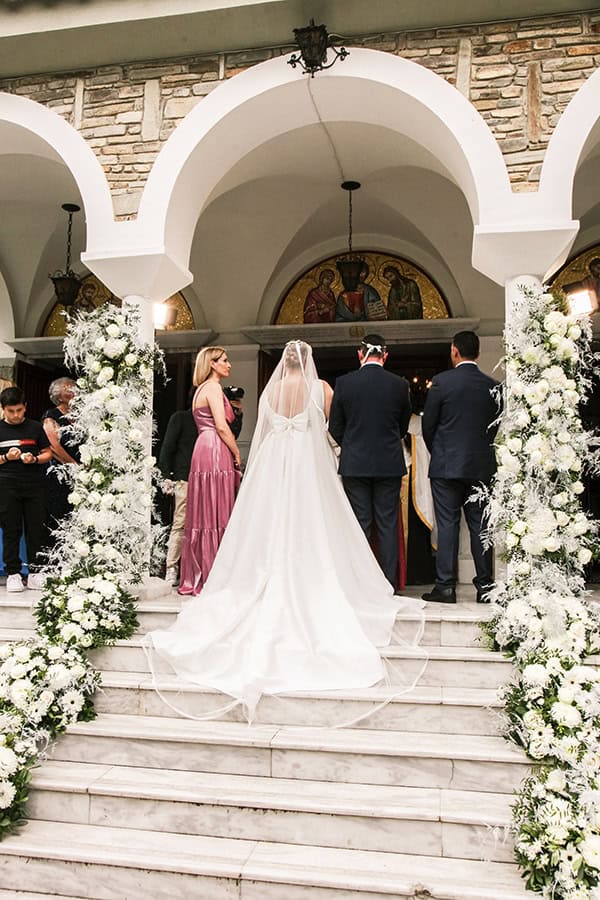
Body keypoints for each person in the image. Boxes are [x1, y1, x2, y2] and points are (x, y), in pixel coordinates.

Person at [145, 341, 424, 721]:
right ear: (308, 362)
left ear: (284, 362)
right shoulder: (321, 388)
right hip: (308, 466)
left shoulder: (271, 391)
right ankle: (314, 576)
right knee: (314, 524)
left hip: (273, 466)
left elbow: (263, 432)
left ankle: (265, 573)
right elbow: (330, 431)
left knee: (268, 524)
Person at [421, 331, 500, 604]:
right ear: (477, 353)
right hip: (481, 466)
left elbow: (428, 425)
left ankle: (445, 586)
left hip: (446, 465)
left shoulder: (441, 382)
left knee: (447, 525)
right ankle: (485, 586)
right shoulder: (493, 386)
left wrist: (439, 451)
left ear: (454, 351)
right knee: (481, 526)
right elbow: (494, 426)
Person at [328, 335, 412, 590]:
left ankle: (360, 584)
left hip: (355, 463)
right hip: (388, 462)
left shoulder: (345, 383)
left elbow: (335, 427)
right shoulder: (399, 385)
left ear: (359, 354)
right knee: (387, 524)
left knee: (359, 523)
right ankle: (388, 583)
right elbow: (403, 426)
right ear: (385, 355)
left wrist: (352, 444)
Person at [178, 346, 241, 596]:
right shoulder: (213, 388)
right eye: (224, 360)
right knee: (216, 506)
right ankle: (215, 571)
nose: (229, 364)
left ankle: (200, 570)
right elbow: (222, 427)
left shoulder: (200, 390)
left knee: (204, 509)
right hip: (215, 445)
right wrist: (236, 453)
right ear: (212, 364)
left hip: (202, 446)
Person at [0, 386, 53, 592]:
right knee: (11, 529)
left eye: (19, 410)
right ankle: (13, 573)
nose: (16, 415)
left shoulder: (35, 427)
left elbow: (48, 453)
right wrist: (6, 457)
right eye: (11, 411)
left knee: (36, 528)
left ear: (25, 407)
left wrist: (35, 459)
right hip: (7, 485)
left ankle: (35, 572)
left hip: (35, 484)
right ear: (3, 408)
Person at [158, 402, 198, 587]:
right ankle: (171, 567)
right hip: (184, 477)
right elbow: (167, 448)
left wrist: (238, 414)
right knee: (180, 522)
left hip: (205, 478)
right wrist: (166, 476)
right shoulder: (181, 418)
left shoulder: (213, 420)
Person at [41, 377, 80, 530]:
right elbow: (54, 447)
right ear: (59, 397)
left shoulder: (79, 416)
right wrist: (74, 466)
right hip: (60, 475)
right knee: (60, 516)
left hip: (80, 472)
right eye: (69, 389)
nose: (75, 391)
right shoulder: (51, 416)